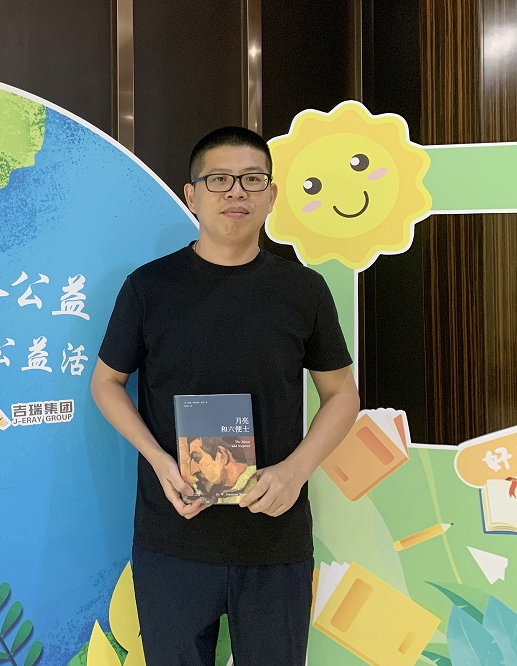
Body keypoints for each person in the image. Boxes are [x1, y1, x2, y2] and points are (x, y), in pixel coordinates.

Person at [90, 126, 360, 665]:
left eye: (252, 179)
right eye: (219, 179)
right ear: (192, 195)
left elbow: (341, 395)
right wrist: (159, 460)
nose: (236, 191)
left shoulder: (303, 290)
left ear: (271, 195)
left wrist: (295, 471)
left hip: (274, 537)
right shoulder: (149, 287)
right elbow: (106, 383)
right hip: (174, 533)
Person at [185, 436, 256, 504]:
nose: (193, 471)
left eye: (197, 458)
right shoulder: (214, 492)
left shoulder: (257, 483)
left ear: (222, 455)